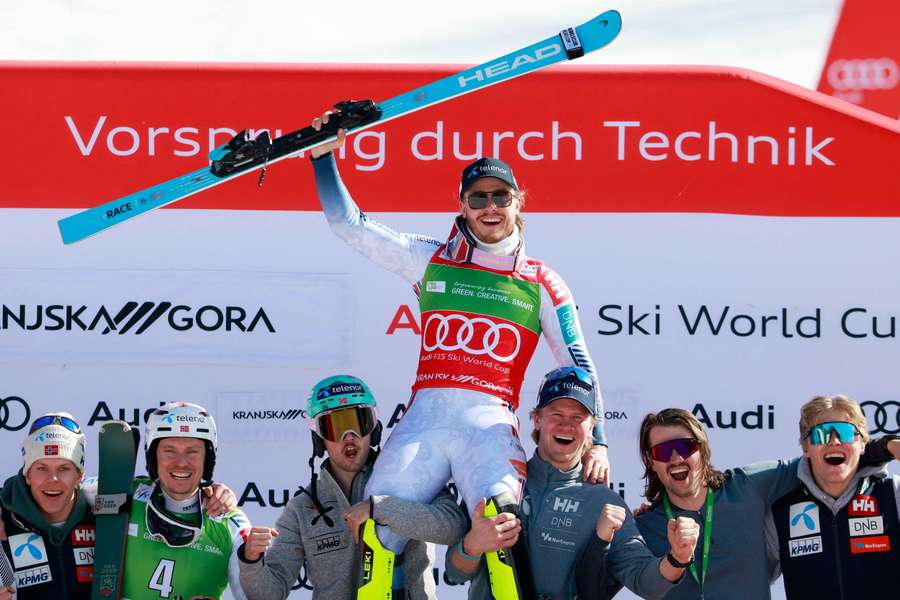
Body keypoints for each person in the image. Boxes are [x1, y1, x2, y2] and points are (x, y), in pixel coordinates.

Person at [308, 112, 608, 597]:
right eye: (477, 198)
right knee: (376, 525)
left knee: (501, 521)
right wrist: (323, 157)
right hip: (425, 418)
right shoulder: (431, 258)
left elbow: (580, 367)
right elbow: (351, 225)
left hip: (488, 425)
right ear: (463, 206)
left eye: (500, 196)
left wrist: (602, 442)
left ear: (517, 202)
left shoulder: (544, 283)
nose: (490, 207)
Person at [446, 367, 697, 600]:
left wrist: (678, 557)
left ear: (591, 429)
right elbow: (455, 572)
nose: (566, 424)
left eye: (578, 417)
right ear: (537, 419)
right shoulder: (497, 480)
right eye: (556, 414)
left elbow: (646, 583)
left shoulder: (603, 502)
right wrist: (472, 545)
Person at [238, 375, 467, 599]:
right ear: (319, 440)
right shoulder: (303, 508)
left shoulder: (411, 476)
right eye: (336, 427)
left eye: (359, 422)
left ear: (374, 429)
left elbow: (454, 527)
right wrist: (251, 561)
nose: (349, 437)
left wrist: (380, 508)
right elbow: (269, 593)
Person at [633, 407, 898, 600]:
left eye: (685, 446)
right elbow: (642, 585)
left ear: (701, 449)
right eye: (663, 452)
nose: (676, 456)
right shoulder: (643, 526)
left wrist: (884, 447)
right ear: (652, 462)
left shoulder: (749, 485)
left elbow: (824, 460)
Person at [766, 394, 900, 598]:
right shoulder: (780, 512)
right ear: (805, 448)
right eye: (821, 434)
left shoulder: (893, 494)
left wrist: (889, 445)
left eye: (845, 432)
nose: (834, 441)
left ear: (863, 444)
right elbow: (745, 581)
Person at [121, 401, 251, 600]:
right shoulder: (121, 493)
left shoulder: (231, 524)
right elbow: (64, 489)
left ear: (207, 459)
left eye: (192, 452)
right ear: (153, 456)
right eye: (169, 451)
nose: (181, 462)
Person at [0, 412, 93, 599]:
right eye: (42, 468)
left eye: (64, 468)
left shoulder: (103, 513)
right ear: (28, 474)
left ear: (79, 475)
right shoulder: (6, 520)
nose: (53, 480)